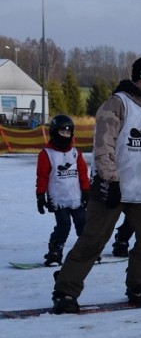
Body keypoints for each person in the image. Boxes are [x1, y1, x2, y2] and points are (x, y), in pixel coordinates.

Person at [51, 56, 141, 313]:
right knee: (93, 241)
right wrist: (110, 180)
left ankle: (139, 286)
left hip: (139, 190)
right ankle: (65, 291)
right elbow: (104, 146)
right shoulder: (116, 105)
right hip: (110, 188)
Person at [35, 114, 90, 266]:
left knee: (83, 223)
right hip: (58, 199)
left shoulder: (75, 153)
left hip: (76, 198)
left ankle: (86, 251)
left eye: (68, 133)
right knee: (64, 225)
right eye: (62, 132)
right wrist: (40, 196)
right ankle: (55, 252)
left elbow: (83, 173)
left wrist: (86, 192)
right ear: (54, 132)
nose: (65, 136)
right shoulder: (47, 154)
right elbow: (42, 177)